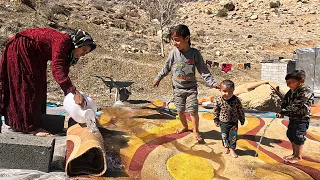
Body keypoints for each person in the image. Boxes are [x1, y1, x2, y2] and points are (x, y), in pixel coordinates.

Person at [0, 28, 96, 136]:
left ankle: (26, 122)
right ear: (77, 43)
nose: (83, 54)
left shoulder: (68, 50)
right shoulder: (63, 42)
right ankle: (29, 126)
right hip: (22, 48)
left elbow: (63, 72)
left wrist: (71, 95)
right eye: (83, 50)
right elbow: (57, 69)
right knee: (28, 86)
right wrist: (73, 92)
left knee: (39, 86)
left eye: (86, 53)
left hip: (35, 55)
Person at [152, 24, 219, 143]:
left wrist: (213, 83)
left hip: (191, 89)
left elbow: (203, 70)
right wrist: (158, 78)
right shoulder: (173, 53)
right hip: (177, 89)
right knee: (180, 110)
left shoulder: (194, 53)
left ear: (187, 38)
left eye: (177, 40)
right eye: (173, 40)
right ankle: (184, 126)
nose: (175, 43)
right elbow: (166, 68)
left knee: (193, 110)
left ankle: (196, 131)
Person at [276, 70, 313, 163]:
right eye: (287, 82)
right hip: (293, 117)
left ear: (301, 81)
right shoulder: (291, 91)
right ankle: (294, 153)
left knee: (298, 136)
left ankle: (298, 156)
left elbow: (298, 104)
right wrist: (282, 110)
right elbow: (285, 101)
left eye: (290, 82)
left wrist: (284, 112)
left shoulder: (305, 90)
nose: (288, 85)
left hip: (302, 118)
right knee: (291, 134)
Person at [213, 80, 245, 158]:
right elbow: (216, 110)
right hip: (223, 122)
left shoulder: (236, 100)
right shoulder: (218, 100)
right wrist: (216, 119)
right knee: (224, 136)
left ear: (233, 91)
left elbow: (240, 110)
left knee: (233, 137)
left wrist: (242, 119)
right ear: (220, 90)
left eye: (230, 92)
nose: (227, 94)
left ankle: (232, 149)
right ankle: (226, 147)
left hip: (234, 122)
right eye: (224, 91)